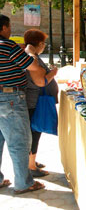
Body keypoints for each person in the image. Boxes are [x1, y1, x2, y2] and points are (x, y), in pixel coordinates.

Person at [0, 14, 45, 193]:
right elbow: (31, 66)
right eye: (9, 26)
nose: (10, 30)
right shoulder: (8, 46)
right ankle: (24, 183)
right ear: (3, 28)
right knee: (19, 141)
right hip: (10, 98)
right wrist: (33, 57)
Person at [24, 29, 58, 178]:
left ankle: (32, 161)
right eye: (43, 43)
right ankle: (31, 166)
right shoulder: (32, 58)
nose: (44, 46)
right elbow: (40, 81)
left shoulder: (33, 57)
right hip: (34, 101)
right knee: (34, 132)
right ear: (38, 44)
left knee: (34, 132)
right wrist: (53, 73)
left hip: (35, 100)